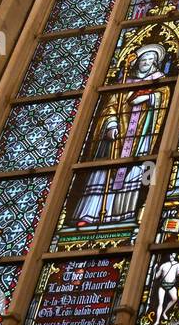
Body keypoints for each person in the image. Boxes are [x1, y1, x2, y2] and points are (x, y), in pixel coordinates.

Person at [72, 46, 167, 226]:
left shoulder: (159, 80)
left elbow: (165, 99)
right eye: (143, 59)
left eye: (149, 60)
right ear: (137, 61)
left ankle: (125, 213)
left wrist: (149, 98)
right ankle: (92, 215)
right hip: (118, 137)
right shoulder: (125, 80)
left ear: (155, 62)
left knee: (139, 170)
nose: (145, 63)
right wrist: (111, 125)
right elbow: (111, 106)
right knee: (104, 171)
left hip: (143, 136)